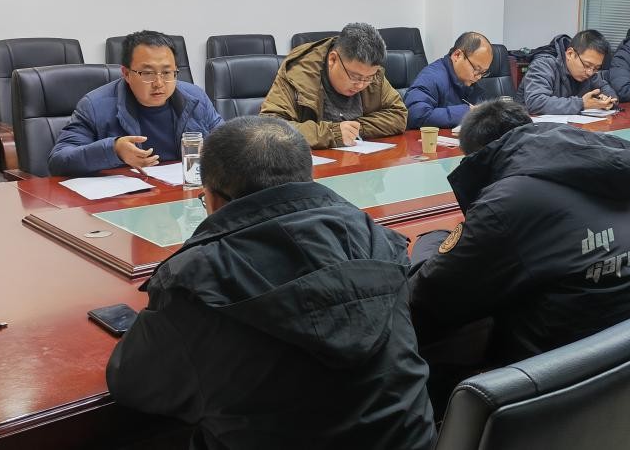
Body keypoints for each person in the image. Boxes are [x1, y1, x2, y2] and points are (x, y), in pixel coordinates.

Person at [106, 116, 435, 450]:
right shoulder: (376, 241)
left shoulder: (195, 281)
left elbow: (132, 383)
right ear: (308, 177)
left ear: (212, 199)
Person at [408, 99, 630, 408]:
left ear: (478, 157)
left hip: (566, 386)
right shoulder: (606, 169)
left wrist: (431, 240)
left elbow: (430, 294)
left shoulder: (509, 201)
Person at [49, 30, 222, 177]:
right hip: (126, 201)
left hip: (182, 194)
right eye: (147, 73)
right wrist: (114, 150)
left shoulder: (195, 98)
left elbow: (226, 143)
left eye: (167, 72)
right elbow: (59, 160)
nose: (159, 83)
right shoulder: (95, 106)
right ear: (126, 74)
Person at [259, 22, 407, 149]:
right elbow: (269, 127)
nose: (361, 84)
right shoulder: (298, 72)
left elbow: (398, 115)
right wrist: (332, 133)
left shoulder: (371, 72)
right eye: (355, 77)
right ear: (332, 59)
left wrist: (355, 128)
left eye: (368, 78)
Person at [516, 30, 619, 115]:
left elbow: (605, 89)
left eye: (596, 68)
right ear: (570, 54)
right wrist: (581, 104)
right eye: (587, 65)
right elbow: (535, 102)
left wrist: (607, 101)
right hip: (531, 128)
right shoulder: (543, 64)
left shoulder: (590, 72)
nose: (590, 72)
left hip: (568, 127)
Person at [403, 31, 493, 129]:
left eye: (483, 72)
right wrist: (467, 112)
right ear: (457, 55)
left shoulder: (470, 81)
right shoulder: (431, 77)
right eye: (476, 69)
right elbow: (415, 115)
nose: (479, 77)